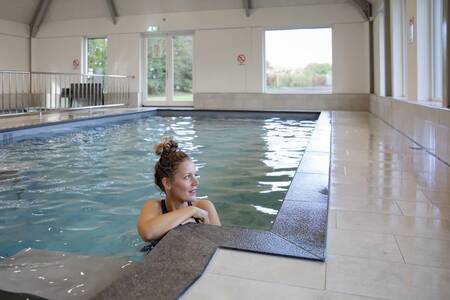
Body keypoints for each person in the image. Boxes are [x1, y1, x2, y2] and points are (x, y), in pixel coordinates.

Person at [137, 138, 221, 242]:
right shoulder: (155, 207)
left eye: (195, 175)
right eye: (187, 177)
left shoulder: (204, 207)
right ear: (167, 183)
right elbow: (147, 233)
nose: (196, 182)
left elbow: (220, 246)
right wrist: (190, 211)